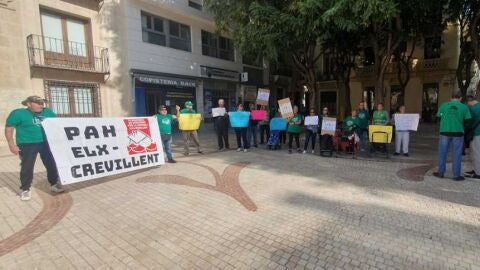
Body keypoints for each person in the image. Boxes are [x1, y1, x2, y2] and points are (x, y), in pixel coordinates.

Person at [5, 96, 64, 201]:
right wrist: (11, 144)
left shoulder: (48, 112)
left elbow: (57, 124)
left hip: (46, 143)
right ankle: (25, 189)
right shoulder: (18, 113)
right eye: (38, 103)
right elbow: (9, 128)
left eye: (42, 103)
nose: (41, 105)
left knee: (51, 164)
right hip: (27, 144)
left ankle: (54, 184)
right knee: (27, 166)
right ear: (28, 104)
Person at [434, 92, 471, 181]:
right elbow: (468, 121)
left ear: (451, 98)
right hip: (458, 133)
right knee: (457, 154)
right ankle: (456, 175)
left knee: (442, 153)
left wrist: (445, 122)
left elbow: (438, 117)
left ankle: (441, 173)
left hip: (444, 132)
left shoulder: (443, 105)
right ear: (460, 98)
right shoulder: (464, 107)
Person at [464, 95, 480, 179]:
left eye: (468, 104)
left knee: (476, 152)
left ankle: (478, 173)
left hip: (477, 133)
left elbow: (471, 122)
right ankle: (477, 169)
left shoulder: (473, 109)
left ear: (469, 102)